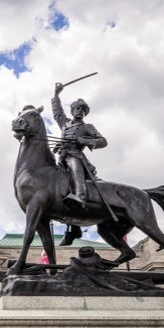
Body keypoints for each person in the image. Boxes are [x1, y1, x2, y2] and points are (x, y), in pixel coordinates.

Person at [52, 82, 107, 245]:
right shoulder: (65, 123)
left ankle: (80, 197)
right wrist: (56, 95)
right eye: (77, 108)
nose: (80, 111)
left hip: (75, 156)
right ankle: (72, 228)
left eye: (83, 109)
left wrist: (83, 140)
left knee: (75, 169)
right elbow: (57, 113)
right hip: (62, 159)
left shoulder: (88, 127)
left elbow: (103, 141)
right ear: (73, 110)